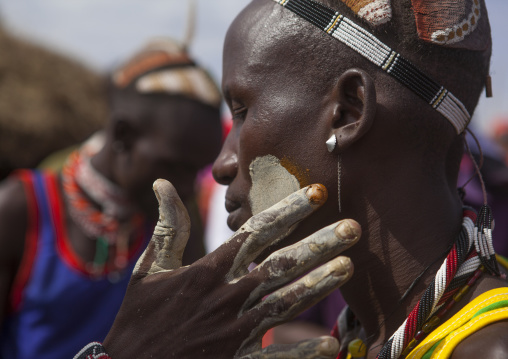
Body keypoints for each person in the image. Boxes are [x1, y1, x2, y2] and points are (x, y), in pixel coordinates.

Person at [79, 0, 508, 358]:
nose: (222, 164)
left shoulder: (487, 348)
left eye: (244, 110)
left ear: (348, 112)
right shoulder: (364, 339)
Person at [0, 38, 222, 358]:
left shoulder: (175, 226)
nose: (187, 188)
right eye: (175, 167)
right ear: (123, 135)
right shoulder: (22, 208)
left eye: (197, 171)